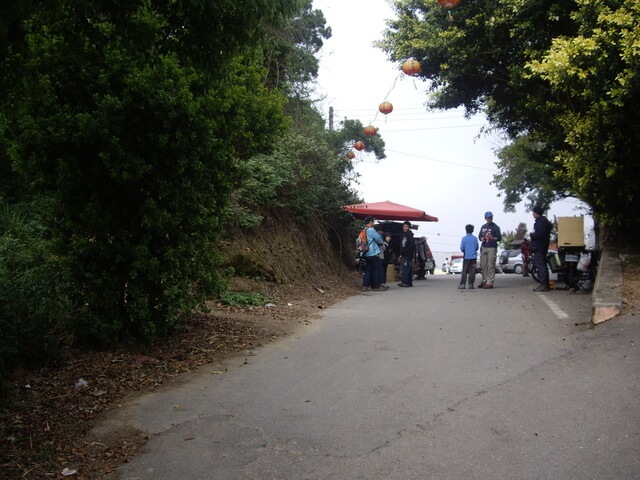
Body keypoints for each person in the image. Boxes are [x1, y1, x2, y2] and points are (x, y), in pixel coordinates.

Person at [529, 205, 553, 292]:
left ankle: (544, 285)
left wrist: (532, 234)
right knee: (542, 265)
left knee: (541, 265)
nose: (532, 214)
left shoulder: (541, 221)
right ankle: (545, 284)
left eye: (534, 212)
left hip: (539, 246)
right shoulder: (544, 221)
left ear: (537, 213)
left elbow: (539, 233)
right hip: (543, 246)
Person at [361, 217, 388, 291]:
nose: (373, 223)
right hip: (373, 252)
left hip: (366, 253)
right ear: (370, 222)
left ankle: (365, 286)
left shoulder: (364, 229)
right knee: (375, 270)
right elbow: (378, 239)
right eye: (373, 221)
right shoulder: (371, 230)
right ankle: (376, 286)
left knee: (368, 270)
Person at [477, 211, 502, 289]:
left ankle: (490, 282)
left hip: (492, 247)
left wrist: (493, 238)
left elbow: (499, 238)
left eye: (491, 217)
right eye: (488, 217)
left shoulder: (496, 227)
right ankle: (484, 280)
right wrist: (482, 238)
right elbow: (479, 236)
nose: (489, 219)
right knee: (483, 265)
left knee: (491, 265)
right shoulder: (483, 226)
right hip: (484, 246)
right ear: (485, 218)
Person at [458, 224, 479, 289]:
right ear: (473, 230)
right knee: (472, 271)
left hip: (466, 256)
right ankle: (471, 284)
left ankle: (463, 284)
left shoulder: (464, 239)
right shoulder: (475, 239)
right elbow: (477, 247)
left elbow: (462, 248)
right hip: (473, 257)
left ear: (466, 230)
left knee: (464, 271)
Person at [398, 221, 415, 287]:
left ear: (409, 227)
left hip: (408, 254)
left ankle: (405, 282)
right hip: (404, 254)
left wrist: (405, 252)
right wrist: (401, 253)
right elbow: (402, 245)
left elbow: (412, 246)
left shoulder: (410, 235)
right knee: (407, 268)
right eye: (404, 226)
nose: (405, 228)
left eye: (406, 227)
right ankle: (408, 282)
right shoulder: (403, 235)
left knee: (406, 268)